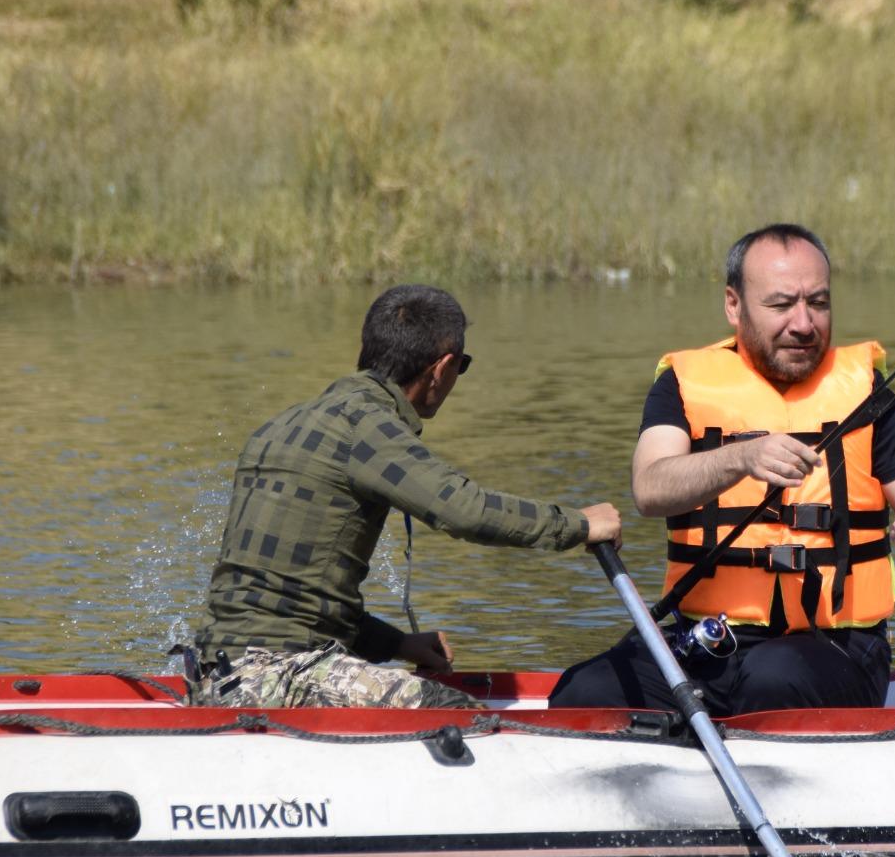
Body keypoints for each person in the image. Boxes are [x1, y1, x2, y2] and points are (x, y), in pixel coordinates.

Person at [549, 224, 895, 715]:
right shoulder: (683, 387)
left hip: (836, 650)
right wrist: (740, 458)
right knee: (582, 692)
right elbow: (650, 488)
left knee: (773, 678)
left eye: (818, 302)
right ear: (734, 305)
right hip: (707, 643)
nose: (804, 323)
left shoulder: (871, 398)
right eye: (781, 305)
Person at [194, 284, 621, 709]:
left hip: (219, 675)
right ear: (442, 368)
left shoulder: (282, 427)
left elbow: (292, 601)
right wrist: (580, 525)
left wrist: (399, 644)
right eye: (462, 367)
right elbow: (464, 510)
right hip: (279, 675)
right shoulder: (366, 427)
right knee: (460, 712)